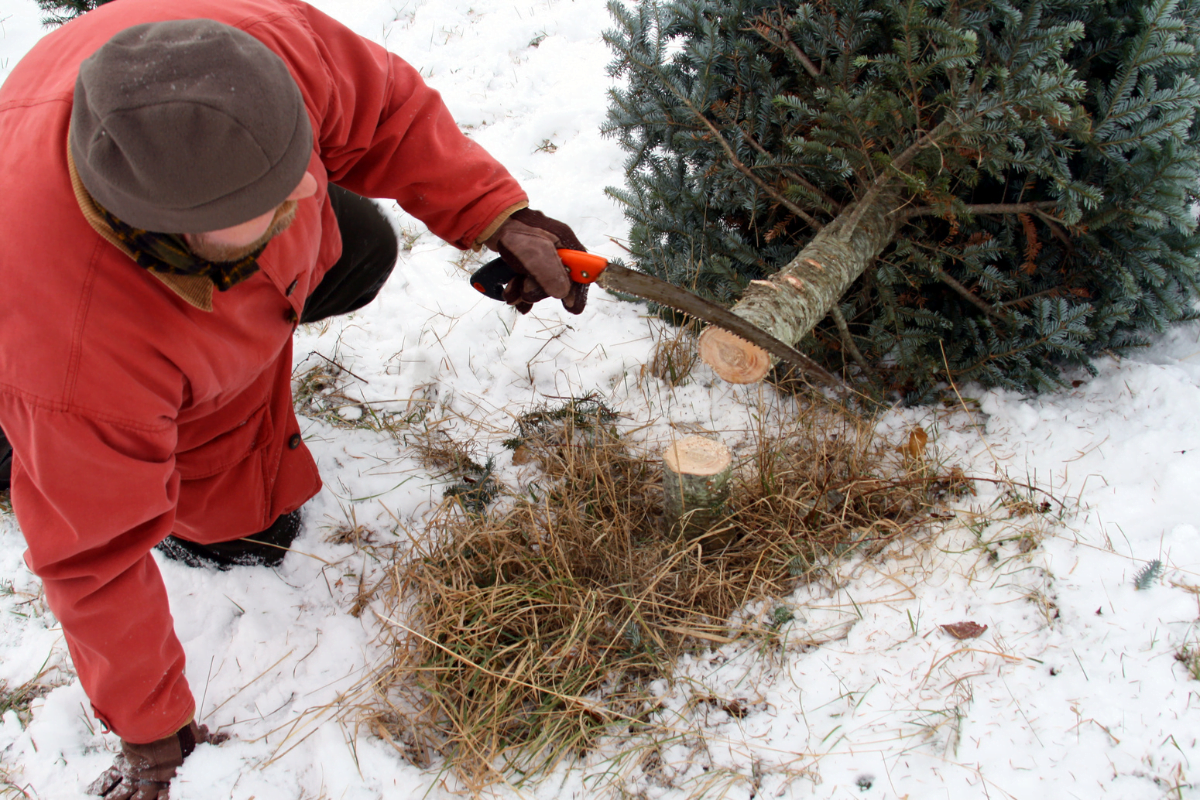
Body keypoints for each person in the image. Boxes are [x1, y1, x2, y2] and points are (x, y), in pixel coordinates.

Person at [0, 0, 590, 796]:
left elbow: (383, 109)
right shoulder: (81, 352)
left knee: (364, 246)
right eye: (272, 209)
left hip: (130, 181)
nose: (302, 199)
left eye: (298, 177)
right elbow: (92, 562)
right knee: (240, 535)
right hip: (63, 310)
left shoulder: (247, 53)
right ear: (169, 230)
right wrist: (152, 736)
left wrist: (496, 214)